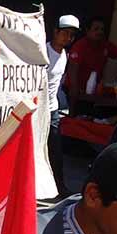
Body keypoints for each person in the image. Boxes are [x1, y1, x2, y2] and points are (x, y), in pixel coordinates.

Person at [65, 16, 117, 115]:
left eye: (102, 29)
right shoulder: (80, 46)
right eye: (96, 29)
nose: (100, 32)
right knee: (73, 116)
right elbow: (72, 68)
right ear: (87, 30)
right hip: (75, 90)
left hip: (93, 91)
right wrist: (74, 88)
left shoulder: (105, 45)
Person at [46, 15, 79, 197]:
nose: (68, 38)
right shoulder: (43, 51)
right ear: (55, 32)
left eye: (72, 35)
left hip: (52, 109)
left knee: (56, 151)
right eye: (65, 33)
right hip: (38, 109)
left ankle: (59, 188)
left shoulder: (65, 55)